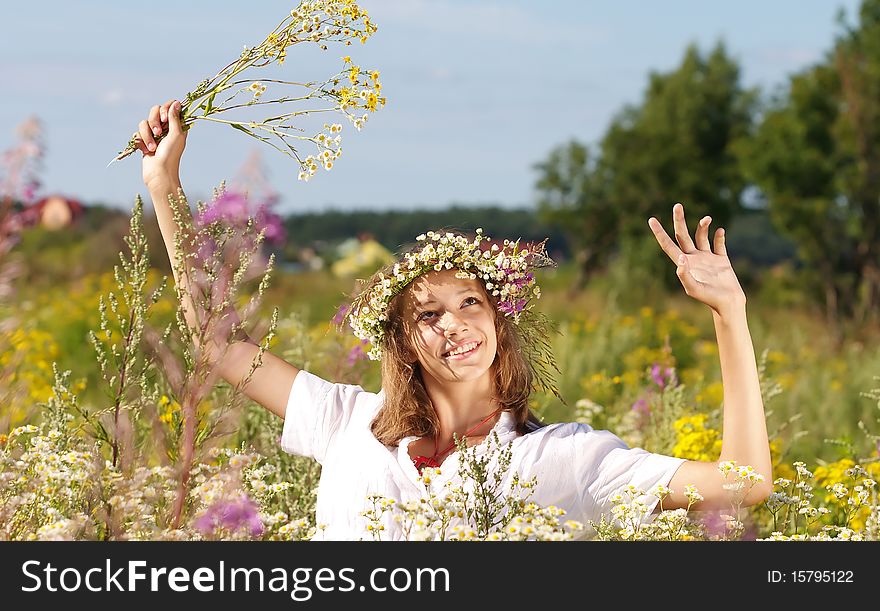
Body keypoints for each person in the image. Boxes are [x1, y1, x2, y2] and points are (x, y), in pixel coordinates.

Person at [135, 99, 773, 540]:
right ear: (403, 341)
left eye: (472, 303)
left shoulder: (564, 458)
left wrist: (729, 313)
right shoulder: (346, 422)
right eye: (429, 314)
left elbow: (741, 487)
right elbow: (217, 341)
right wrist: (165, 186)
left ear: (499, 321)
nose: (456, 324)